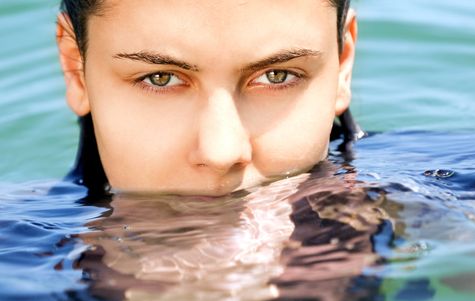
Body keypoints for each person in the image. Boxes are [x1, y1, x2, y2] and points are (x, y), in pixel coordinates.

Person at [57, 0, 363, 197]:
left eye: (277, 76)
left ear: (342, 65)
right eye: (160, 78)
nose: (221, 154)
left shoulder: (408, 207)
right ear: (77, 69)